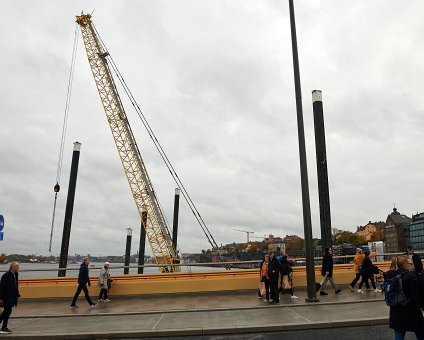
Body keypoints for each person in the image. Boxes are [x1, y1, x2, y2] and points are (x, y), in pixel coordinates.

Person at [387, 255, 424, 340]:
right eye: (411, 263)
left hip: (395, 309)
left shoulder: (391, 275)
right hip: (411, 311)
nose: (412, 265)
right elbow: (416, 297)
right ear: (405, 265)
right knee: (421, 333)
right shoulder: (411, 277)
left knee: (399, 335)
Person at [0, 262, 20, 334]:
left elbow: (16, 285)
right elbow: (2, 287)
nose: (18, 268)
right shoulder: (6, 275)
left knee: (7, 311)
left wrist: (17, 293)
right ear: (13, 267)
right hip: (6, 297)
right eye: (17, 267)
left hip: (13, 297)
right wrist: (1, 298)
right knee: (8, 311)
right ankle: (4, 327)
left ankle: (3, 326)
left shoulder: (16, 275)